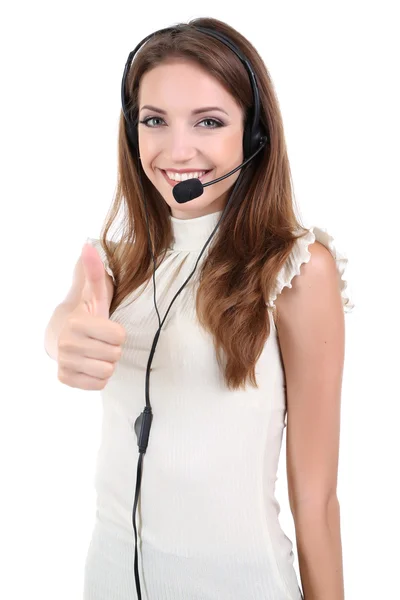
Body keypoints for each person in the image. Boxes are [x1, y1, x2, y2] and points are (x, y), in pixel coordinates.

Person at [44, 16, 354, 600]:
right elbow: (66, 323)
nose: (177, 149)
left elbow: (316, 502)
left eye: (208, 122)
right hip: (108, 581)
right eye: (154, 120)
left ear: (253, 136)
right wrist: (62, 336)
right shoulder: (113, 263)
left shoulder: (296, 269)